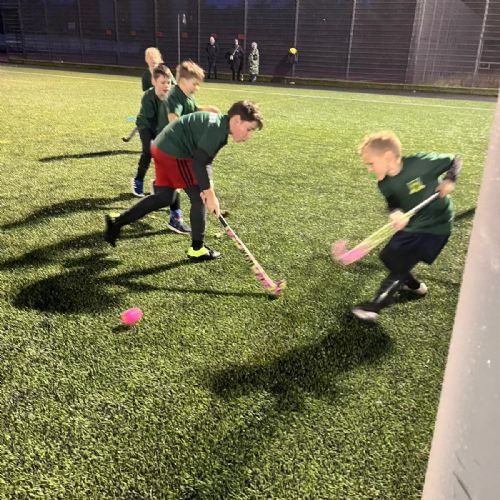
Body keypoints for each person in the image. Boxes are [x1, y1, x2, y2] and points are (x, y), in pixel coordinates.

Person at [104, 101, 264, 262]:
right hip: (174, 153)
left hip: (163, 148)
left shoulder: (219, 125)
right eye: (249, 129)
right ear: (236, 120)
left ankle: (118, 220)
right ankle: (197, 249)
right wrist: (209, 194)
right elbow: (199, 164)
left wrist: (210, 191)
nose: (248, 136)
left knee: (165, 197)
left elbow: (205, 162)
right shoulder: (217, 131)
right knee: (199, 197)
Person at [351, 131, 462, 322]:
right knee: (387, 256)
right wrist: (395, 212)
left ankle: (375, 306)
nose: (369, 169)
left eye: (371, 164)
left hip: (437, 226)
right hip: (414, 226)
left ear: (388, 157)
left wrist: (449, 179)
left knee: (402, 264)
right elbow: (392, 201)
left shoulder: (421, 163)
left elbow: (455, 160)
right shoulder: (384, 182)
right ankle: (413, 285)